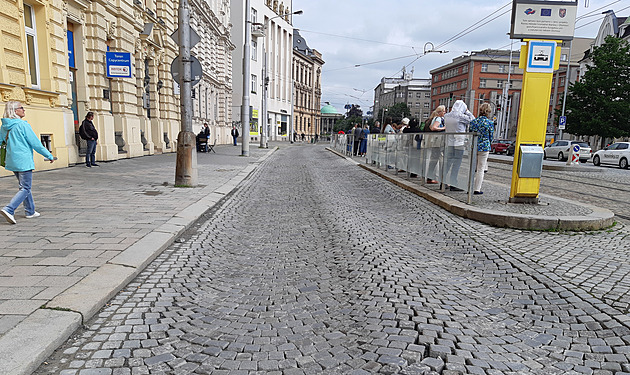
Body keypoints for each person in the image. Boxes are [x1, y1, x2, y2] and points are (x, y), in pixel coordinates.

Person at [0, 101, 55, 224]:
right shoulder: (23, 125)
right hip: (23, 160)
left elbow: (1, 142)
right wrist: (49, 155)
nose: (24, 110)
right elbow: (35, 143)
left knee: (24, 186)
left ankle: (30, 211)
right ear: (15, 111)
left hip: (12, 160)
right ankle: (9, 209)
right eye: (21, 108)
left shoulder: (5, 126)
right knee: (25, 187)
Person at [443, 100, 475, 191]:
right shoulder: (460, 116)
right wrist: (467, 111)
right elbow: (473, 120)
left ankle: (443, 181)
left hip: (449, 142)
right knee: (456, 164)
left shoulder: (447, 115)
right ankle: (453, 183)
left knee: (448, 163)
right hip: (459, 143)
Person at [469, 103, 494, 195]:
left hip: (474, 146)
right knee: (481, 169)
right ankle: (477, 189)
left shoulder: (473, 122)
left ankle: (469, 187)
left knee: (472, 168)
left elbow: (470, 134)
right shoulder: (489, 123)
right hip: (484, 147)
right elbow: (491, 136)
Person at [425, 105, 446, 184]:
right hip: (438, 141)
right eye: (443, 111)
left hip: (435, 141)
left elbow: (430, 127)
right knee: (436, 160)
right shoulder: (438, 118)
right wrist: (443, 128)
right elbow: (433, 128)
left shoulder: (434, 118)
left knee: (433, 160)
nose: (444, 112)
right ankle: (432, 178)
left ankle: (430, 177)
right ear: (440, 112)